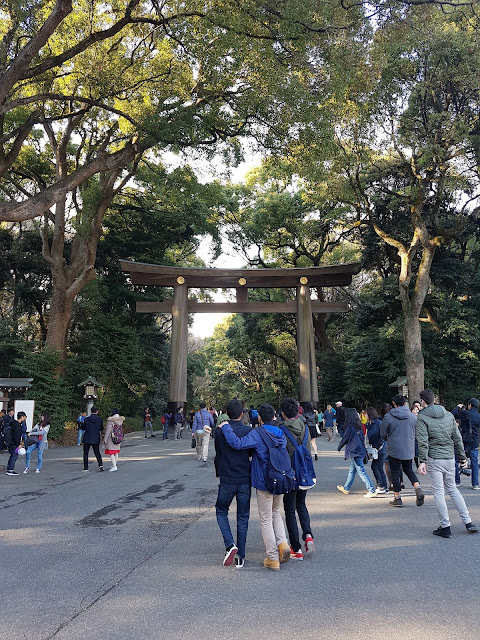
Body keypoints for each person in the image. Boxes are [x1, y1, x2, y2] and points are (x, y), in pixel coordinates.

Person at [219, 403, 292, 572]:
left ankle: (273, 558)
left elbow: (237, 443)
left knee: (265, 518)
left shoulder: (258, 433)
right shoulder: (280, 432)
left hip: (264, 481)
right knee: (276, 513)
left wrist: (226, 427)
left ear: (259, 417)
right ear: (274, 417)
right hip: (281, 478)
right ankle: (283, 543)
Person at [416, 389, 478, 538]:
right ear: (434, 400)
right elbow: (457, 438)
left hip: (435, 458)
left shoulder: (422, 417)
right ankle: (468, 521)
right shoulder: (449, 415)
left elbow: (423, 441)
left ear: (423, 401)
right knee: (453, 489)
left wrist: (422, 461)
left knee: (439, 492)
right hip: (450, 458)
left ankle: (445, 526)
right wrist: (462, 457)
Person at [214, 398, 252, 568]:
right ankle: (241, 557)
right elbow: (251, 452)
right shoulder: (248, 430)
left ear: (227, 414)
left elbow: (218, 451)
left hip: (227, 477)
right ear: (242, 413)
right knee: (243, 517)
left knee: (221, 510)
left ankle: (230, 544)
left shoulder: (220, 431)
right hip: (245, 477)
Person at [280, 397, 315, 559]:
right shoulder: (305, 427)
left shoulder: (282, 429)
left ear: (283, 413)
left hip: (290, 474)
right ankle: (308, 535)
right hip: (304, 473)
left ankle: (296, 549)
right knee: (301, 504)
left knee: (289, 510)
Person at [380, 394, 424, 507]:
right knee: (408, 470)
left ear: (394, 404)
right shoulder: (412, 416)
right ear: (405, 403)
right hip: (408, 447)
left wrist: (387, 438)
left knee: (395, 472)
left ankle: (397, 497)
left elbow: (383, 433)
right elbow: (417, 432)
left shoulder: (388, 416)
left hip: (394, 448)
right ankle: (417, 487)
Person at [337, 408, 377, 497]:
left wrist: (339, 447)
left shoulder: (350, 427)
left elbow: (345, 439)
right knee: (352, 470)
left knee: (361, 471)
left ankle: (371, 490)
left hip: (354, 451)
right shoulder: (359, 426)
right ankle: (346, 488)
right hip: (360, 450)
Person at [453, 398, 480, 490]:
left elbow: (454, 414)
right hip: (475, 442)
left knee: (456, 460)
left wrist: (458, 407)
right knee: (475, 463)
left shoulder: (464, 413)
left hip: (463, 441)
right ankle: (475, 484)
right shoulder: (478, 416)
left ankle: (457, 481)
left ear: (469, 405)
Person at [365, 407, 388, 493]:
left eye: (366, 414)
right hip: (375, 448)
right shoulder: (369, 424)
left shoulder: (378, 423)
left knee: (374, 466)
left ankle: (380, 484)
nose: (364, 416)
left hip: (381, 448)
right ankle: (384, 486)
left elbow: (383, 435)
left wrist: (378, 445)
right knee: (379, 467)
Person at [82, 407, 104, 472]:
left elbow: (83, 427)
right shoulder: (100, 419)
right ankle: (101, 465)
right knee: (97, 452)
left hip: (87, 437)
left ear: (91, 412)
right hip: (96, 437)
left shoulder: (86, 419)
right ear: (97, 412)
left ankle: (86, 467)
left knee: (86, 453)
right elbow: (101, 428)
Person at [5, 411, 25, 475]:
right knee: (14, 456)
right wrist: (18, 445)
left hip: (10, 442)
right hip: (15, 444)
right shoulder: (17, 425)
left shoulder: (13, 423)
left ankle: (9, 469)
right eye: (24, 417)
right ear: (22, 417)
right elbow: (17, 436)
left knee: (12, 456)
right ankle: (10, 470)